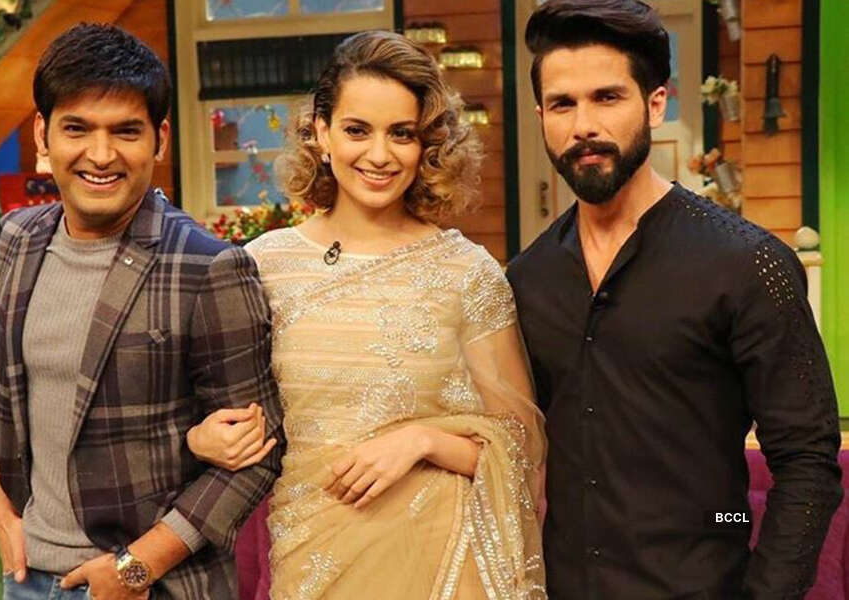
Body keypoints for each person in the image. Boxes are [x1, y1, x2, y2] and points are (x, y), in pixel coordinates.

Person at [186, 30, 548, 599]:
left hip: (443, 565)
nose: (379, 155)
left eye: (401, 134)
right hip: (310, 558)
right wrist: (201, 439)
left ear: (426, 146)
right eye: (358, 130)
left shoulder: (466, 271)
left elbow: (520, 447)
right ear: (321, 132)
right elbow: (215, 415)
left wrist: (423, 442)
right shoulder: (262, 266)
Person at [506, 1, 843, 598]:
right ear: (540, 117)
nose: (583, 125)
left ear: (656, 103)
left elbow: (808, 462)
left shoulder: (746, 262)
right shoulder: (529, 277)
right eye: (562, 104)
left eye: (607, 97)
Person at [0, 23, 283, 600]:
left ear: (159, 139)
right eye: (77, 129)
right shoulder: (16, 238)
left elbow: (258, 454)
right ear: (43, 133)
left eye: (125, 131)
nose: (101, 155)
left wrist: (135, 567)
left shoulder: (207, 265)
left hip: (155, 585)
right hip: (27, 579)